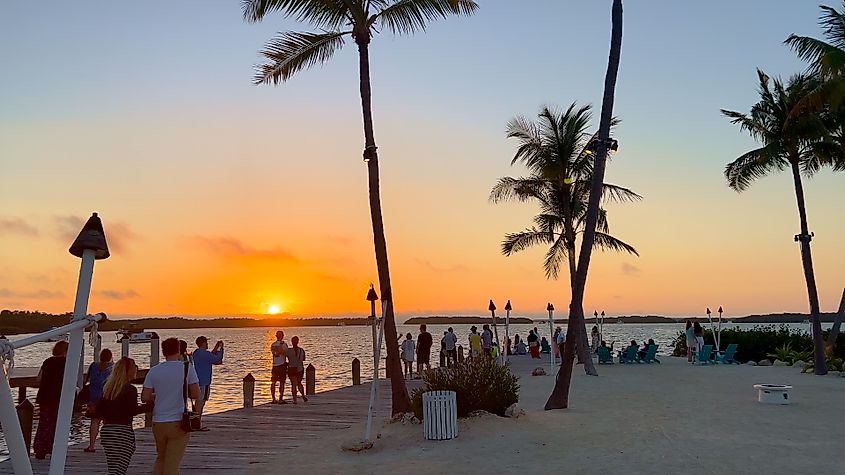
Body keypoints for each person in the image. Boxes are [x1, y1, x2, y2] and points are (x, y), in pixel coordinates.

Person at [142, 337, 200, 475]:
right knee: (172, 464)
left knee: (161, 458)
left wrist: (157, 396)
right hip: (178, 421)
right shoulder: (187, 368)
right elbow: (196, 394)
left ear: (163, 352)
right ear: (179, 350)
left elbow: (145, 397)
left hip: (158, 422)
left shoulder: (154, 371)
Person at [96, 357, 152, 475]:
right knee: (120, 467)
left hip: (107, 430)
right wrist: (151, 405)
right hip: (122, 431)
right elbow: (133, 410)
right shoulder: (129, 389)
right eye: (134, 366)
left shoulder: (108, 388)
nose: (136, 369)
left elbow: (99, 410)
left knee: (113, 467)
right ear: (128, 370)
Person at [33, 340, 69, 459]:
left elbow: (39, 378)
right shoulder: (67, 363)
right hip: (58, 396)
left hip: (44, 395)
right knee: (57, 423)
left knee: (44, 422)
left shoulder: (47, 361)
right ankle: (54, 447)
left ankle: (39, 449)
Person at [85, 348, 113, 452]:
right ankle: (108, 445)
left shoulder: (93, 365)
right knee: (107, 422)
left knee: (94, 422)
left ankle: (91, 445)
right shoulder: (112, 367)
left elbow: (87, 379)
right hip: (107, 397)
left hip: (93, 397)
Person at [191, 336, 224, 427]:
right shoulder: (204, 354)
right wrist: (221, 348)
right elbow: (217, 359)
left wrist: (216, 347)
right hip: (204, 382)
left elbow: (211, 356)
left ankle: (196, 422)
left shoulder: (197, 353)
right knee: (201, 402)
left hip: (197, 381)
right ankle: (196, 423)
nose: (207, 344)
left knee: (198, 401)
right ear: (203, 343)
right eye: (206, 342)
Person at [285, 336, 308, 403]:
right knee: (299, 383)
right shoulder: (302, 350)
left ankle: (295, 400)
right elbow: (303, 359)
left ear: (292, 342)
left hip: (291, 368)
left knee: (293, 384)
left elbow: (282, 355)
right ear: (298, 342)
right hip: (300, 368)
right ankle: (303, 395)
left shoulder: (288, 351)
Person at [270, 330, 289, 404]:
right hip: (280, 365)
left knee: (274, 382)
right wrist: (281, 346)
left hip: (275, 365)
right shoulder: (284, 344)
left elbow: (275, 353)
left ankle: (274, 398)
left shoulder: (273, 345)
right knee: (281, 382)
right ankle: (279, 398)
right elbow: (284, 353)